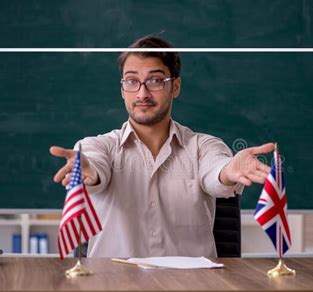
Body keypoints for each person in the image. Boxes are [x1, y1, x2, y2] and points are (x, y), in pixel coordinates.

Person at [50, 35, 273, 258]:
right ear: (122, 89)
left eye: (155, 81)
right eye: (131, 81)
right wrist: (89, 172)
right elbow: (95, 165)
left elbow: (216, 171)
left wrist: (229, 170)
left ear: (175, 87)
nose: (142, 93)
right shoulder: (98, 146)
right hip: (114, 286)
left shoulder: (203, 146)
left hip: (190, 287)